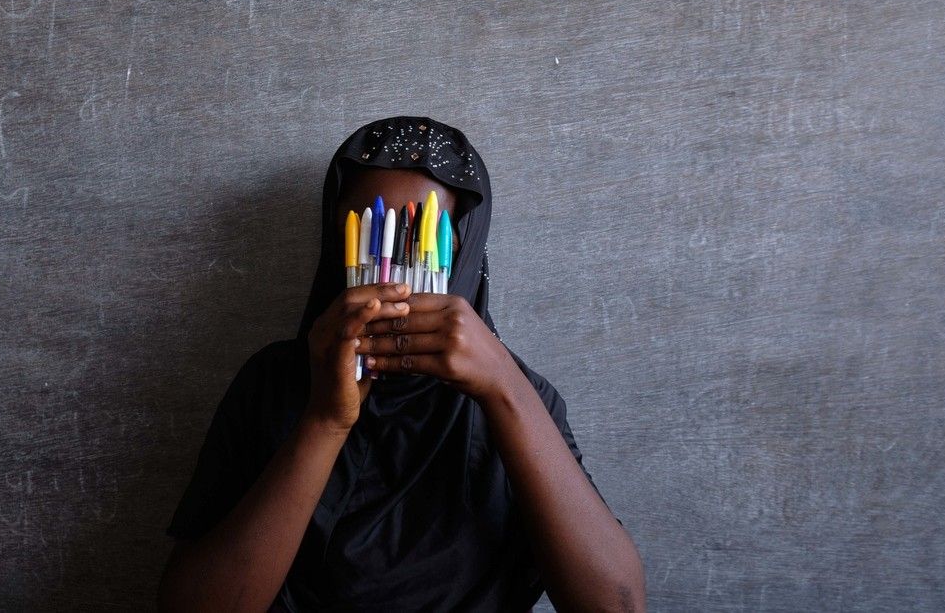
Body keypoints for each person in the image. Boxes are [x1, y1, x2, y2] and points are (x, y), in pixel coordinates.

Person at [158, 116, 645, 612]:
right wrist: (326, 421)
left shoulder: (516, 397)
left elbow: (615, 606)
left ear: (463, 251)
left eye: (416, 244)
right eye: (373, 248)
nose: (390, 283)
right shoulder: (273, 383)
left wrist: (504, 387)